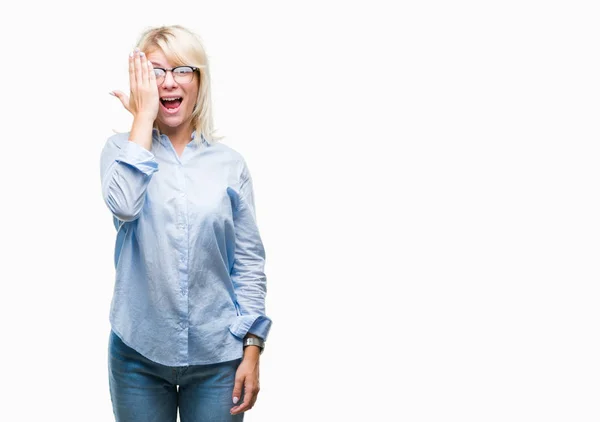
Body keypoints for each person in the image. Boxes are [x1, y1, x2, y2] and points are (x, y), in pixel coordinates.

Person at [100, 25, 272, 422]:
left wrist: (252, 347)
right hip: (137, 355)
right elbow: (124, 206)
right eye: (155, 71)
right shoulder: (118, 152)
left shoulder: (230, 164)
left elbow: (247, 264)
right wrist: (143, 118)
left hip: (218, 357)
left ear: (199, 81)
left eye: (182, 70)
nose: (169, 82)